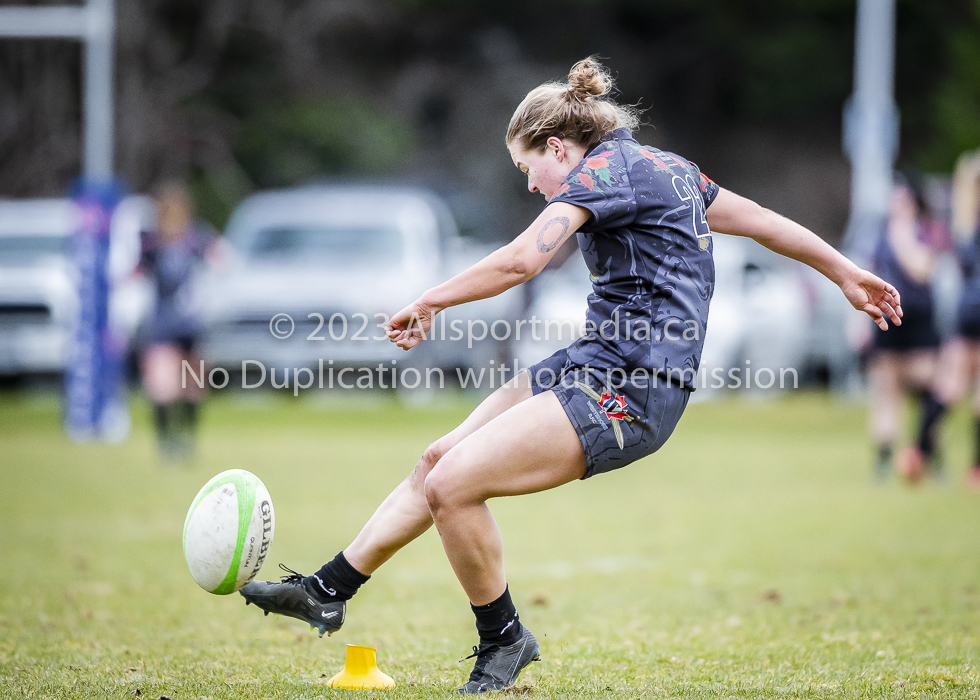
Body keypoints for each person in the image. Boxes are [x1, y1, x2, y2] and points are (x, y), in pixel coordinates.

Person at [239, 58, 902, 693]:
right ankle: (326, 589)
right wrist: (843, 270)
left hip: (633, 390)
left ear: (558, 148)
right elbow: (758, 221)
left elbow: (525, 259)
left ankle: (503, 638)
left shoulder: (599, 174)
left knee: (452, 486)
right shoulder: (670, 170)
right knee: (437, 460)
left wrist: (433, 299)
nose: (531, 185)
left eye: (528, 169)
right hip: (591, 363)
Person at [866, 175, 946, 482]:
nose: (895, 207)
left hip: (919, 320)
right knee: (887, 389)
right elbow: (868, 273)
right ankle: (884, 460)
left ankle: (927, 451)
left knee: (927, 387)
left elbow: (921, 270)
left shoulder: (928, 232)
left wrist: (902, 237)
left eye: (901, 200)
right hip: (886, 319)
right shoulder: (880, 234)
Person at [138, 181, 216, 461]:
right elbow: (135, 272)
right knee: (163, 385)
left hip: (191, 324)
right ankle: (166, 443)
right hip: (162, 324)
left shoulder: (196, 239)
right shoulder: (151, 243)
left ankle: (186, 440)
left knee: (192, 386)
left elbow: (221, 259)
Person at [924, 150, 980, 488]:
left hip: (967, 312)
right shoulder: (965, 222)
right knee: (956, 390)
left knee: (953, 390)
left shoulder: (963, 222)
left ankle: (921, 452)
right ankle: (970, 466)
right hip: (971, 313)